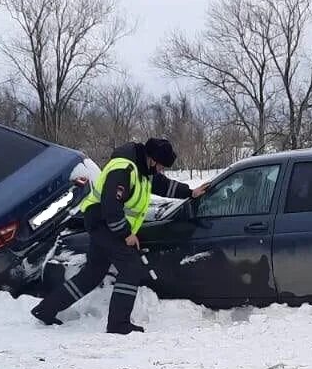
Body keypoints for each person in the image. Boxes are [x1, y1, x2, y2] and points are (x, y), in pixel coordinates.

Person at [30, 138, 203, 333]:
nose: (161, 170)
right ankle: (118, 324)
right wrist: (126, 234)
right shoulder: (124, 169)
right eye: (161, 165)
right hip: (103, 223)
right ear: (153, 160)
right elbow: (111, 207)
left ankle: (45, 310)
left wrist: (190, 192)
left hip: (106, 224)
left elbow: (163, 185)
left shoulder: (143, 171)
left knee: (92, 274)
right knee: (131, 268)